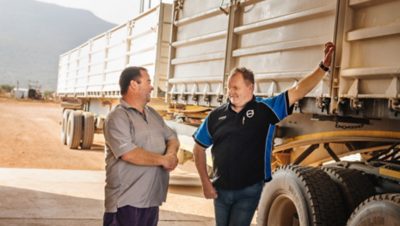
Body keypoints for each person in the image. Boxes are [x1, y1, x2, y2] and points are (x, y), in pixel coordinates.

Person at [193, 42, 335, 226]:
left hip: (249, 190)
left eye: (235, 87)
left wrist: (323, 67)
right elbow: (198, 148)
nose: (231, 93)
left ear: (250, 88)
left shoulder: (266, 109)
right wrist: (205, 182)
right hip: (220, 189)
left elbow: (298, 90)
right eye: (229, 87)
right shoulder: (216, 115)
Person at [103, 66, 180, 226]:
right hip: (125, 203)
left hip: (151, 201)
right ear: (133, 85)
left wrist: (171, 155)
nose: (152, 87)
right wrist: (163, 160)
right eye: (148, 82)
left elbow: (172, 137)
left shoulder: (152, 114)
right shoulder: (118, 117)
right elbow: (129, 153)